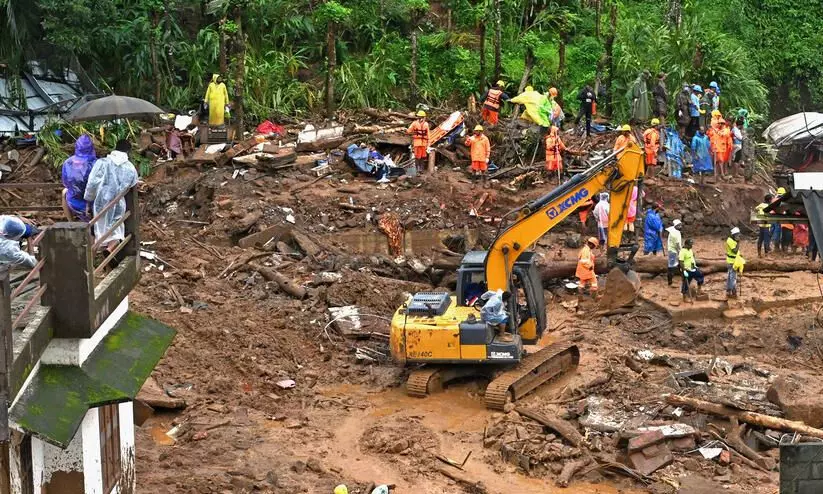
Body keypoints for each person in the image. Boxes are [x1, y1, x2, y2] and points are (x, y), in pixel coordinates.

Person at [85, 140, 139, 257]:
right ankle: (109, 250)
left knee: (99, 227)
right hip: (118, 203)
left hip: (100, 201)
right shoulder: (130, 167)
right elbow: (133, 183)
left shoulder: (102, 163)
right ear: (128, 151)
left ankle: (91, 257)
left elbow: (92, 183)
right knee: (116, 228)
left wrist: (89, 199)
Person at [61, 134, 96, 222]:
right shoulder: (95, 163)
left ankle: (70, 221)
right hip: (90, 202)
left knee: (64, 191)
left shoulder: (68, 162)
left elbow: (65, 182)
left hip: (74, 200)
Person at [725, 227, 742, 298]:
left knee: (730, 276)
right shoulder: (730, 241)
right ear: (733, 235)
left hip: (733, 260)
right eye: (737, 235)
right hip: (732, 262)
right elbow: (734, 250)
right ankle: (734, 292)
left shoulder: (731, 239)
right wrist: (738, 243)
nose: (738, 237)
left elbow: (736, 252)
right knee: (733, 277)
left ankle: (728, 291)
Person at [666, 219, 683, 285]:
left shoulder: (673, 231)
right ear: (675, 226)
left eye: (681, 225)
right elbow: (678, 244)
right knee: (671, 266)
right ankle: (670, 282)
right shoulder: (675, 234)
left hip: (672, 250)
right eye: (679, 226)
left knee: (678, 264)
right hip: (674, 251)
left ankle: (682, 277)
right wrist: (680, 251)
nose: (680, 227)